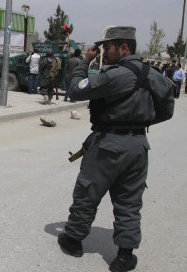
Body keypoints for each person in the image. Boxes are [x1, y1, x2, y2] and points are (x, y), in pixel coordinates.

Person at [58, 26, 175, 272]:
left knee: (87, 192)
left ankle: (74, 240)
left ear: (124, 47)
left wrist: (84, 62)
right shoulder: (155, 75)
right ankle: (125, 256)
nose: (104, 52)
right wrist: (137, 123)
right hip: (138, 146)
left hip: (108, 144)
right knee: (130, 200)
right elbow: (166, 111)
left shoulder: (115, 75)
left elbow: (76, 90)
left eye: (107, 48)